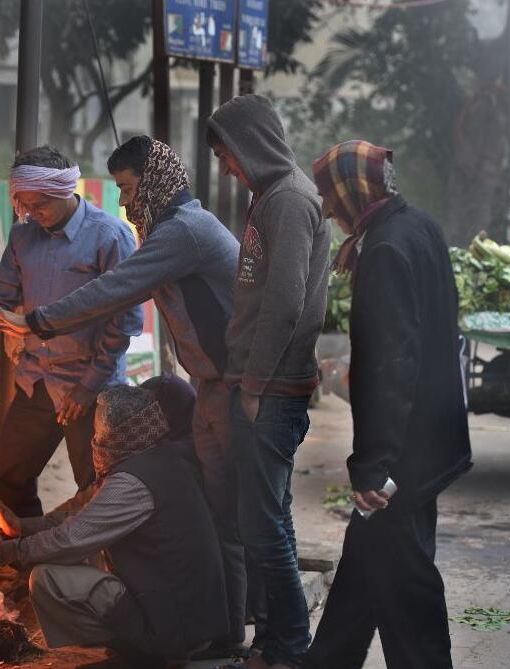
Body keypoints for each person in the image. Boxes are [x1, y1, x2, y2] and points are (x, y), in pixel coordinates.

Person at [0, 136, 247, 652]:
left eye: (126, 187)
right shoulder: (168, 229)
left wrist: (36, 323)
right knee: (207, 517)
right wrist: (26, 530)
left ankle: (235, 638)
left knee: (236, 522)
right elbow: (86, 506)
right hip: (202, 386)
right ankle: (228, 633)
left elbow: (116, 297)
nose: (123, 201)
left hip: (223, 387)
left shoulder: (178, 232)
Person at [303, 141, 472, 669]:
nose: (329, 210)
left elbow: (390, 366)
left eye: (331, 196)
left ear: (355, 190)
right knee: (366, 566)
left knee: (405, 582)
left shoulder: (385, 250)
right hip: (431, 439)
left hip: (403, 453)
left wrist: (373, 463)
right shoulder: (420, 227)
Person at [0, 145, 143, 518]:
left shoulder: (110, 236)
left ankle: (95, 573)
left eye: (39, 204)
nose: (32, 214)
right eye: (24, 205)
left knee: (97, 487)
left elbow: (123, 322)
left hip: (89, 386)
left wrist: (89, 385)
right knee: (7, 475)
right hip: (37, 381)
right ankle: (21, 559)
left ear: (62, 192)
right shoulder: (23, 237)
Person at [0, 384, 228, 668]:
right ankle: (140, 642)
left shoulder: (132, 482)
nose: (94, 440)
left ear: (116, 434)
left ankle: (146, 651)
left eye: (97, 432)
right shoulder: (154, 456)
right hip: (181, 611)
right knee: (75, 554)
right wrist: (21, 527)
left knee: (48, 577)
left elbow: (72, 537)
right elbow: (82, 509)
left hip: (175, 625)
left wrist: (4, 550)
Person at [206, 94, 331, 669]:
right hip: (264, 384)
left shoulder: (289, 201)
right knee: (268, 520)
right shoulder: (273, 197)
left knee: (263, 527)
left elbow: (285, 303)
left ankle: (289, 646)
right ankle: (278, 643)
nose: (226, 167)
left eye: (228, 154)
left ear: (250, 144)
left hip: (273, 390)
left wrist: (253, 384)